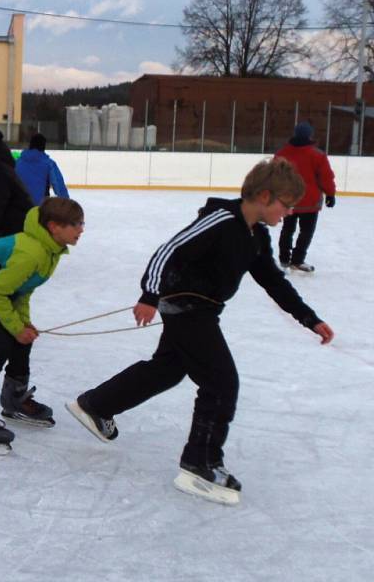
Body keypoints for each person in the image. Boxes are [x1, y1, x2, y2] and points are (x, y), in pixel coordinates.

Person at [66, 158, 334, 506]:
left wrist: (309, 319)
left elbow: (273, 282)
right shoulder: (221, 220)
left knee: (166, 370)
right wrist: (149, 295)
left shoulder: (255, 237)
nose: (289, 213)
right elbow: (167, 251)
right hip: (186, 305)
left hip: (202, 310)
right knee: (221, 383)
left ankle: (96, 404)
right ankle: (200, 461)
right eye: (286, 205)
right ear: (265, 196)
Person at [0, 197, 85, 454]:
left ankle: (14, 398)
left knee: (24, 336)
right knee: (1, 343)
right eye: (76, 224)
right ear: (55, 226)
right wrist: (15, 327)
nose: (81, 230)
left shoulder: (50, 250)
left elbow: (22, 290)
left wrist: (23, 323)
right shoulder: (32, 252)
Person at [275, 122, 336, 272]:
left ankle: (284, 259)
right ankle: (297, 260)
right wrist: (330, 194)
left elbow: (274, 176)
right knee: (306, 231)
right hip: (310, 201)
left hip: (288, 200)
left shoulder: (281, 154)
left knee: (287, 229)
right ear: (310, 135)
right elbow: (325, 177)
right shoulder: (318, 155)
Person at [15, 133, 70, 206]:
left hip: (18, 205)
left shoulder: (17, 162)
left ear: (30, 146)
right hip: (39, 207)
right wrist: (67, 204)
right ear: (43, 147)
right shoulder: (49, 164)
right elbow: (58, 185)